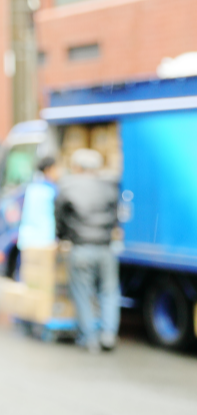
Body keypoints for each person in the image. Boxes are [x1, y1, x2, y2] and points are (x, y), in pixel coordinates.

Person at [55, 148, 122, 353]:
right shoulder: (109, 186)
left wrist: (62, 237)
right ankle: (108, 335)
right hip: (106, 247)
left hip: (81, 247)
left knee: (82, 293)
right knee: (109, 292)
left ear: (77, 166)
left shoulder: (68, 186)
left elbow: (59, 216)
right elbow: (116, 215)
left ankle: (89, 338)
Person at [13, 156, 58, 280]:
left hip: (27, 238)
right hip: (46, 239)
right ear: (49, 169)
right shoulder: (53, 189)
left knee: (25, 276)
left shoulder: (29, 187)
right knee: (42, 278)